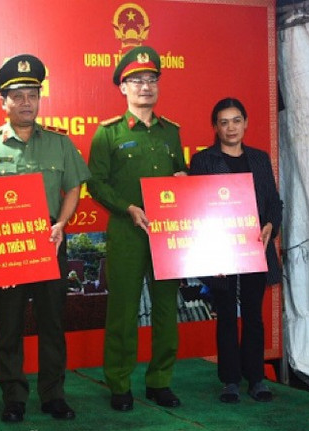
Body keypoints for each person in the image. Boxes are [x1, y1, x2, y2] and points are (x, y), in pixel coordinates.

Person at [0, 54, 91, 423]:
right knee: (8, 325)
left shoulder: (59, 142)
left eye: (32, 95)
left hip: (50, 240)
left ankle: (54, 395)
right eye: (17, 96)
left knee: (53, 323)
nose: (26, 103)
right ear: (3, 102)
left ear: (39, 99)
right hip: (7, 246)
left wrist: (62, 224)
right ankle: (14, 397)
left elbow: (73, 186)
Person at [87, 45, 187, 411]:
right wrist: (127, 208)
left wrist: (183, 179)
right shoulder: (108, 133)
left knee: (165, 310)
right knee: (123, 311)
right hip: (127, 231)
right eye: (137, 80)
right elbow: (96, 183)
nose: (145, 86)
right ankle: (119, 383)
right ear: (123, 87)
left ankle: (160, 381)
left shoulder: (170, 132)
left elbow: (180, 175)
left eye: (151, 79)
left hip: (166, 233)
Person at [189, 97, 282, 403]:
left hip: (255, 248)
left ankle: (256, 378)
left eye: (236, 120)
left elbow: (274, 202)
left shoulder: (259, 159)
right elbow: (195, 207)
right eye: (224, 122)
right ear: (215, 127)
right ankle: (230, 380)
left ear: (246, 123)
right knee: (226, 314)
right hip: (220, 251)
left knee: (253, 315)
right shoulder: (203, 161)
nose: (231, 128)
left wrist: (270, 225)